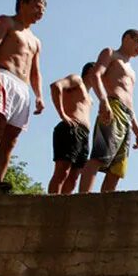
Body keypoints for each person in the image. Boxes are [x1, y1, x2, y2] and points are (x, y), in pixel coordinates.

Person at [0, 0, 46, 191]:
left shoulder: (36, 40)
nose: (40, 12)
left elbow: (35, 71)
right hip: (4, 76)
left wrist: (39, 95)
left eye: (42, 9)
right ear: (22, 4)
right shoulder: (5, 22)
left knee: (11, 138)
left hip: (23, 88)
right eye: (36, 6)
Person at [78, 29, 138, 194]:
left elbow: (130, 100)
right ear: (127, 38)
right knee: (100, 156)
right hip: (112, 106)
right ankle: (82, 197)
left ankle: (104, 205)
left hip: (127, 115)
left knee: (117, 169)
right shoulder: (111, 54)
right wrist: (103, 101)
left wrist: (137, 129)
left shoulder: (132, 71)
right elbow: (95, 75)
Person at [48, 63, 95, 194]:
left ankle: (63, 208)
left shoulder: (91, 98)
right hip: (70, 128)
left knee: (74, 178)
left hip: (84, 134)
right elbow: (55, 86)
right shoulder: (77, 80)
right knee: (62, 171)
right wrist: (62, 115)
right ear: (90, 71)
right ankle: (51, 205)